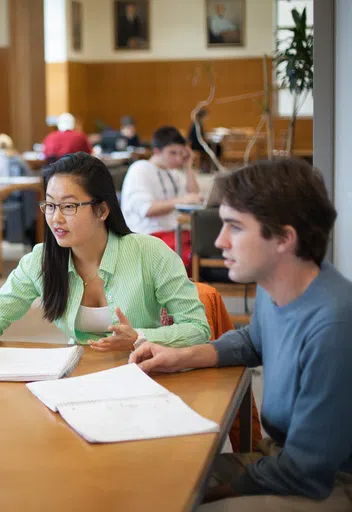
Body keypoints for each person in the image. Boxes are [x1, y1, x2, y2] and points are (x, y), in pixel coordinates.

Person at [129, 159, 352, 511]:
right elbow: (253, 341)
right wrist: (181, 356)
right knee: (154, 476)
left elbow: (306, 471)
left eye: (234, 227)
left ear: (284, 238)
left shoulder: (334, 326)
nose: (219, 242)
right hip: (283, 458)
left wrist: (210, 494)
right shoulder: (275, 286)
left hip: (327, 483)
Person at [0, 152, 210, 367]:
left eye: (68, 207)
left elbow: (198, 329)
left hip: (144, 372)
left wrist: (139, 337)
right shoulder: (41, 260)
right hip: (77, 374)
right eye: (50, 205)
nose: (56, 218)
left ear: (101, 210)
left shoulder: (151, 253)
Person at [120, 126, 202, 267]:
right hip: (147, 236)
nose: (177, 158)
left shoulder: (173, 172)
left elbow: (194, 194)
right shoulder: (140, 169)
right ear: (156, 151)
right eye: (172, 153)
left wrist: (188, 166)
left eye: (180, 153)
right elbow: (148, 210)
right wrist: (181, 200)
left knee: (205, 243)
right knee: (192, 255)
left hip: (172, 232)